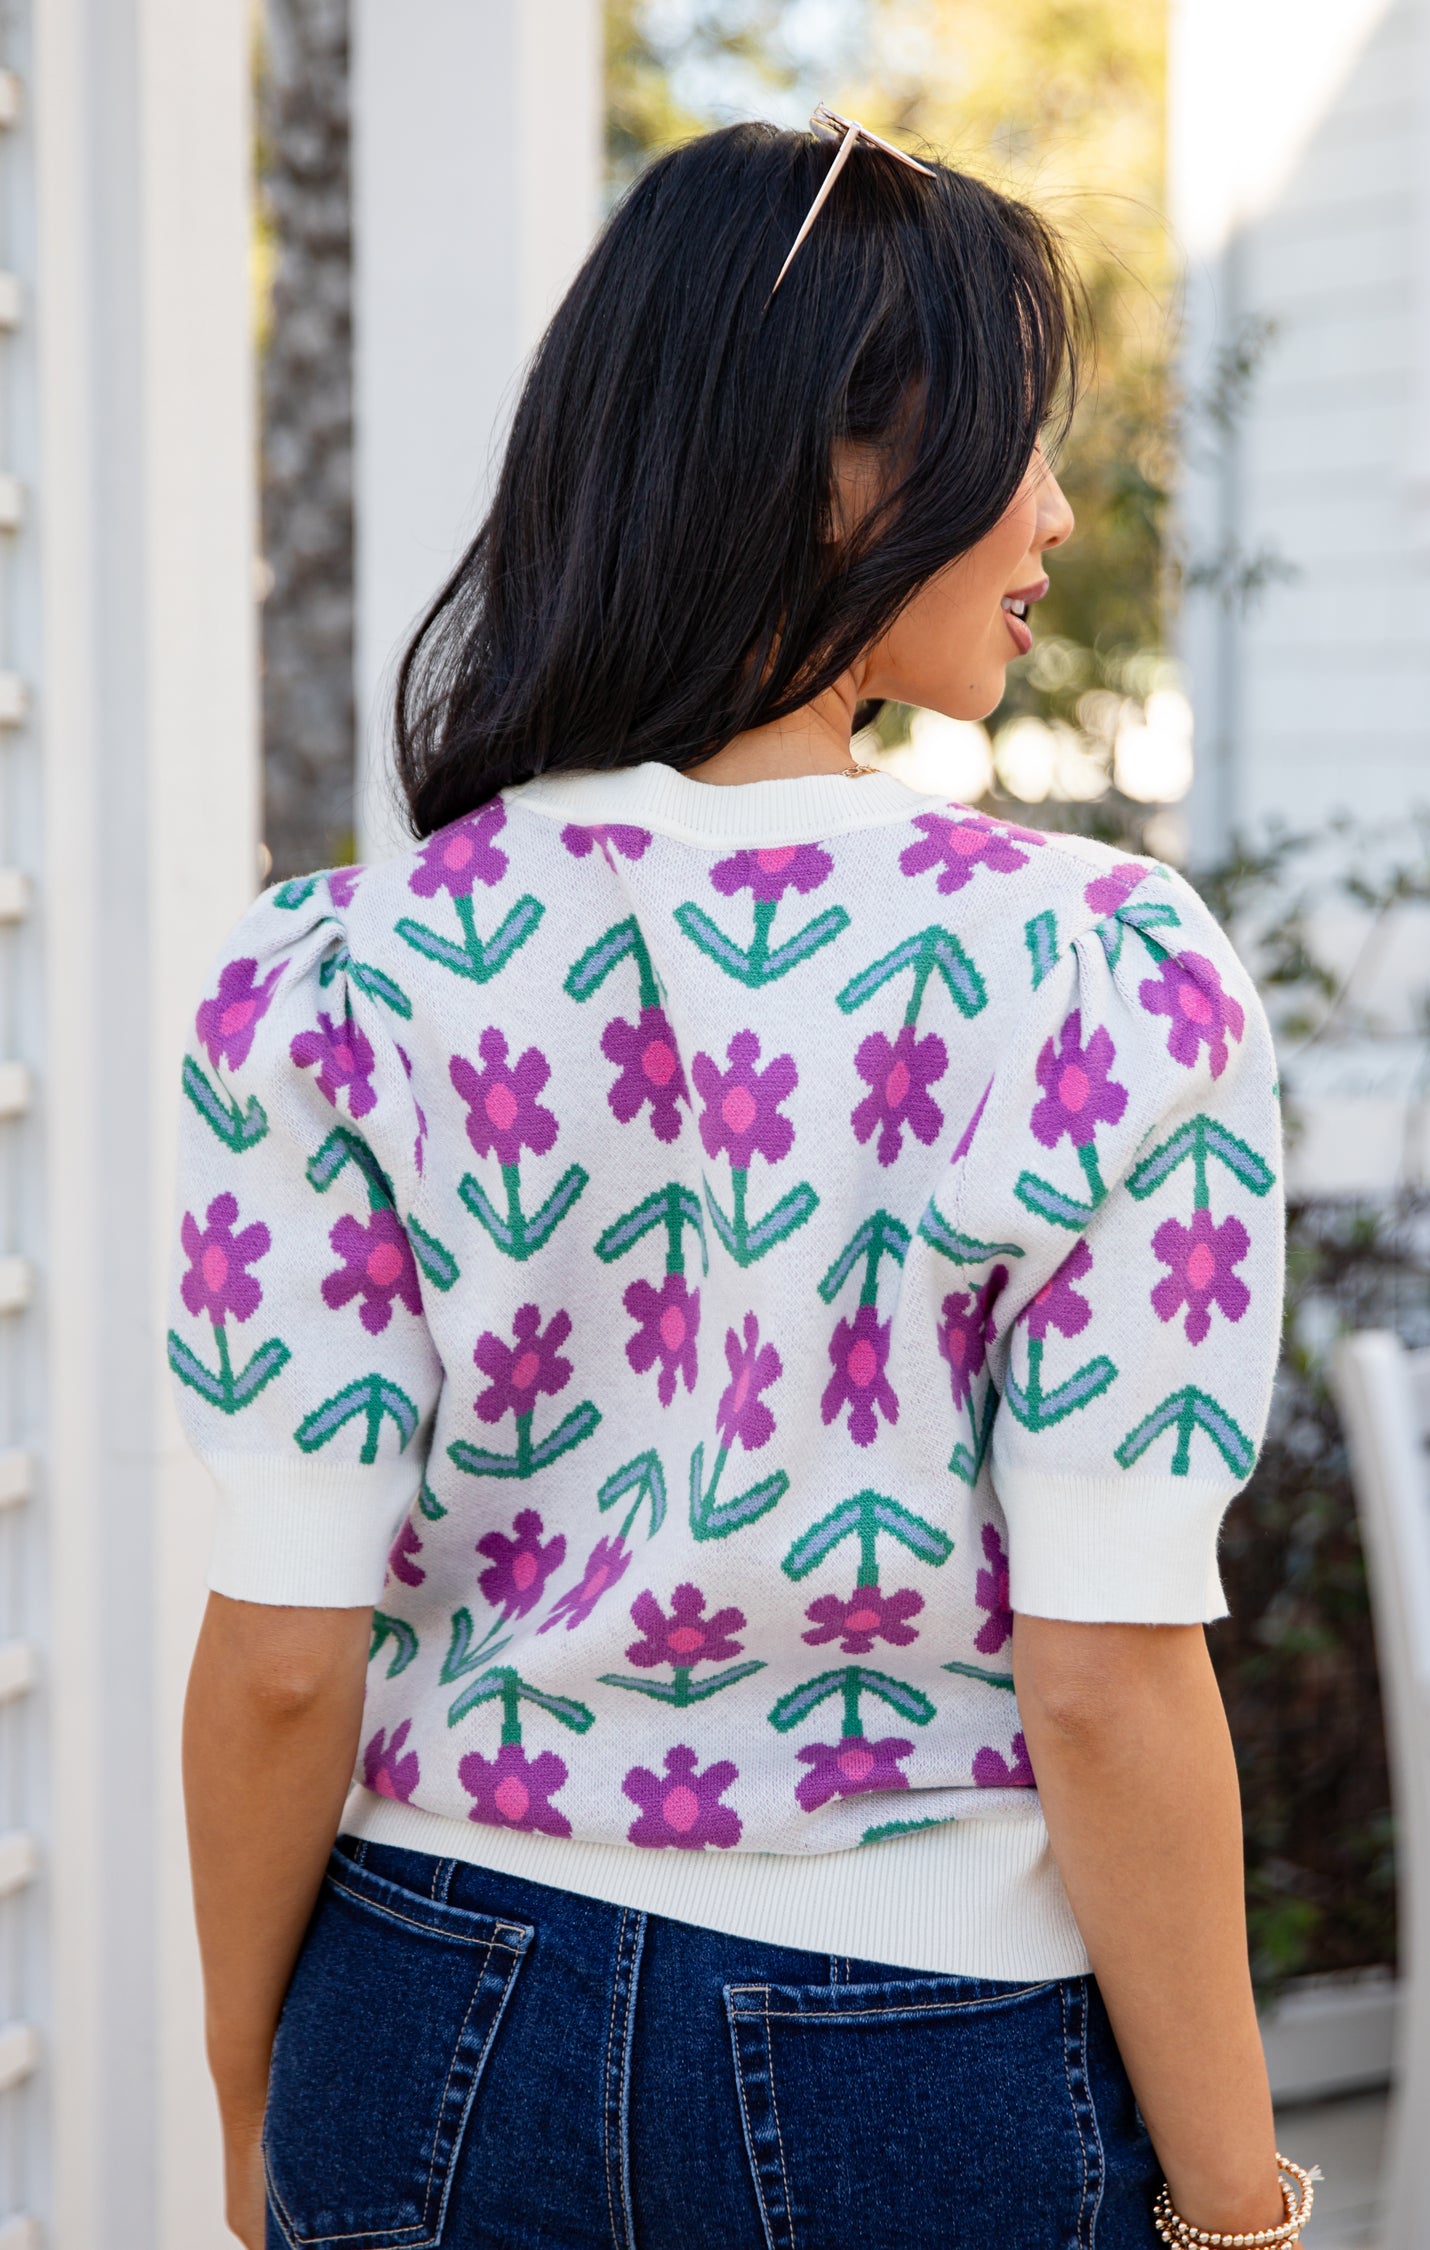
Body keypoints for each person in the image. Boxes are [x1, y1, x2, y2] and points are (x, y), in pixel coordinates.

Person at [177, 113, 1312, 2250]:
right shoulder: (1094, 975)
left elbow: (273, 1657)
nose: (1057, 513)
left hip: (425, 2014)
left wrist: (251, 2094)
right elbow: (1105, 1673)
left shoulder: (334, 971)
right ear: (844, 470)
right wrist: (1242, 2200)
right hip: (929, 2042)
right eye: (1016, 447)